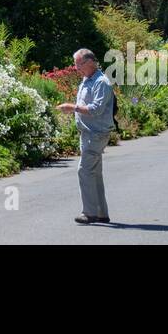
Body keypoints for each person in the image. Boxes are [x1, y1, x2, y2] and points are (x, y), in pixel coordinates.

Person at [56, 48, 114, 224]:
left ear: (89, 62)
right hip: (88, 133)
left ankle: (89, 213)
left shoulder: (101, 82)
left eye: (78, 64)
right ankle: (101, 213)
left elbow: (96, 109)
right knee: (94, 173)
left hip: (96, 135)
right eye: (75, 64)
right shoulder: (87, 79)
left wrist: (71, 107)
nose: (76, 68)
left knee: (84, 170)